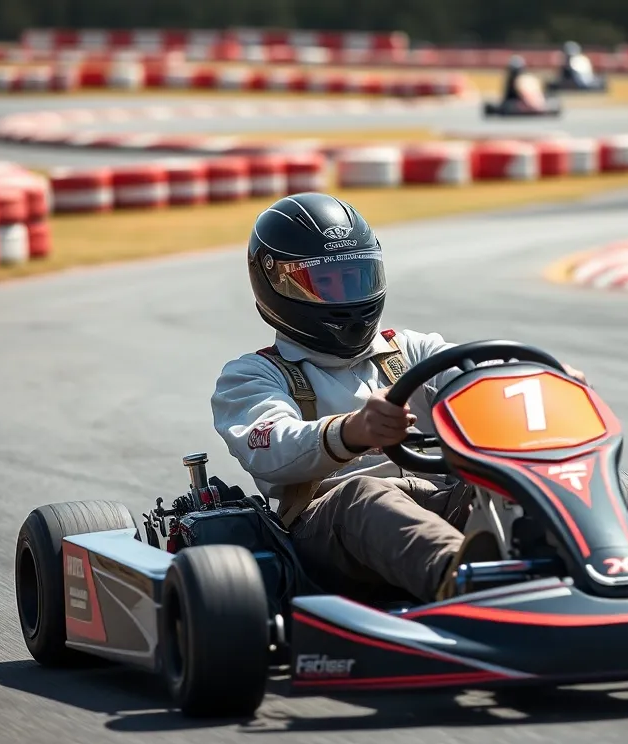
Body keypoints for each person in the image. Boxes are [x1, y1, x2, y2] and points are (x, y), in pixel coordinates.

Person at [211, 192, 586, 604]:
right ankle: (468, 586)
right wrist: (351, 431)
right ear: (276, 285)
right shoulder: (252, 375)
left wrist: (537, 380)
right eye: (324, 283)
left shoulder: (412, 350)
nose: (345, 295)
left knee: (509, 474)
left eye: (355, 278)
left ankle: (589, 561)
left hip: (435, 500)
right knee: (365, 493)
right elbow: (271, 446)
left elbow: (479, 374)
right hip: (328, 535)